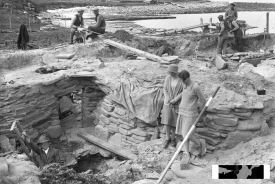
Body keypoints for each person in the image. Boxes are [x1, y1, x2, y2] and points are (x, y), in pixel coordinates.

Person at [170, 70, 206, 170]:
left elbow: (203, 100)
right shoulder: (184, 85)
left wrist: (201, 112)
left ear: (187, 78)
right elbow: (183, 93)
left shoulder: (195, 87)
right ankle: (186, 152)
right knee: (183, 133)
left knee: (187, 134)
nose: (181, 82)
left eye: (182, 80)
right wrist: (175, 100)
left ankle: (199, 144)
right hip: (182, 112)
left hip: (191, 113)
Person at [161, 64, 183, 149]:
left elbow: (183, 91)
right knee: (167, 120)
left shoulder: (181, 80)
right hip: (168, 102)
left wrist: (175, 99)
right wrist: (167, 97)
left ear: (176, 72)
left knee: (174, 121)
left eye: (172, 73)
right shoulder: (168, 78)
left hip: (176, 103)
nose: (170, 74)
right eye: (169, 72)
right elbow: (165, 89)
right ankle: (167, 138)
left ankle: (173, 138)